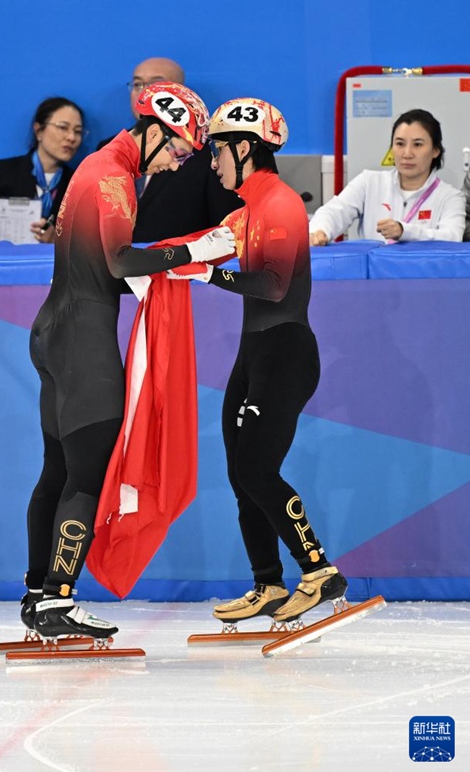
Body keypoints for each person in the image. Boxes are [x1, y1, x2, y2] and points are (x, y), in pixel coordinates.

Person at [23, 82, 235, 641]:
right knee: (86, 476)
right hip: (82, 344)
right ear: (156, 129)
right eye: (178, 150)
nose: (173, 164)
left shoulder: (95, 166)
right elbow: (120, 263)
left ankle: (38, 594)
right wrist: (199, 248)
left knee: (57, 471)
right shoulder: (115, 177)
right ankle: (58, 601)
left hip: (54, 332)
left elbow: (103, 263)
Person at [169, 98, 347, 625]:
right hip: (255, 355)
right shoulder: (245, 212)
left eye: (218, 151)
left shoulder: (282, 204)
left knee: (256, 468)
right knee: (241, 473)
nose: (213, 162)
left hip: (285, 351)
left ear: (245, 148)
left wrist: (206, 276)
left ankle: (317, 571)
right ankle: (268, 585)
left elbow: (271, 285)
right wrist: (141, 259)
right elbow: (194, 246)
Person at [97, 57, 242, 242]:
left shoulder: (209, 154)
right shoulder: (106, 149)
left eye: (156, 84)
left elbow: (226, 226)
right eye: (137, 84)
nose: (145, 92)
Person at [309, 108, 465, 245]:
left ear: (435, 151)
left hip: (425, 277)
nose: (407, 153)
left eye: (417, 144)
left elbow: (452, 237)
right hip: (374, 277)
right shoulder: (369, 182)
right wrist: (319, 231)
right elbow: (333, 212)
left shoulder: (450, 197)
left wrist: (405, 231)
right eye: (400, 144)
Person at [0, 97, 85, 244]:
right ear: (38, 131)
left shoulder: (79, 184)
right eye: (63, 127)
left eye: (78, 131)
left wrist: (57, 242)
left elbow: (88, 251)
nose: (71, 137)